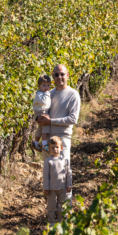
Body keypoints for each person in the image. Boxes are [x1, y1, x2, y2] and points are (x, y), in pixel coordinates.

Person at [35, 64, 80, 199]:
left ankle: (65, 209)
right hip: (48, 138)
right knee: (49, 175)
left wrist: (50, 121)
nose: (59, 77)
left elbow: (73, 119)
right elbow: (40, 112)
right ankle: (52, 208)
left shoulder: (73, 94)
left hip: (62, 138)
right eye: (56, 74)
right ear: (53, 77)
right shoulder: (48, 93)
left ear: (68, 75)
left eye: (62, 74)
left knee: (63, 174)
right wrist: (38, 119)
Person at [43, 136, 71, 223]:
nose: (55, 149)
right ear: (49, 149)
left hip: (62, 188)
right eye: (52, 147)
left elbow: (68, 173)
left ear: (61, 148)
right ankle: (51, 222)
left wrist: (69, 185)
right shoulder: (48, 161)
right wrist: (46, 188)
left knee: (61, 206)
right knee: (51, 206)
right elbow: (46, 175)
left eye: (57, 147)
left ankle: (61, 222)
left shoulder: (65, 160)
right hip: (51, 189)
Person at [32, 74, 53, 154]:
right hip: (41, 112)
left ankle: (36, 143)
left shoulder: (41, 93)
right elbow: (44, 102)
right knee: (45, 127)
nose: (46, 87)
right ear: (39, 86)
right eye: (44, 85)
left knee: (40, 128)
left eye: (48, 85)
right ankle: (44, 144)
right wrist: (47, 93)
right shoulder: (40, 93)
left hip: (40, 112)